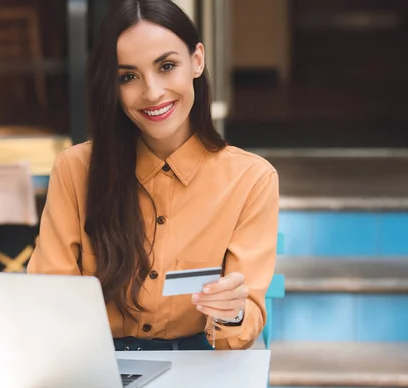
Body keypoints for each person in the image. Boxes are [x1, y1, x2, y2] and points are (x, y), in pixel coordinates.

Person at [27, 0, 278, 351]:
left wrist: (232, 312)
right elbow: (49, 296)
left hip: (200, 364)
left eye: (167, 66)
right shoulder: (75, 169)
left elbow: (242, 324)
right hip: (96, 363)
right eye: (128, 76)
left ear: (197, 60)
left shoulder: (251, 179)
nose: (152, 92)